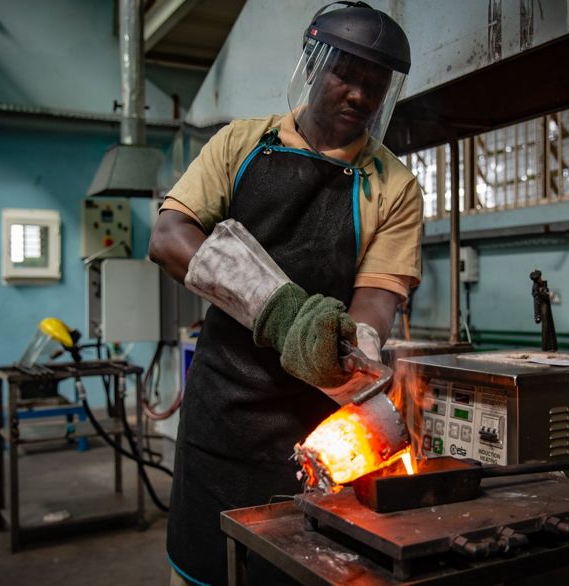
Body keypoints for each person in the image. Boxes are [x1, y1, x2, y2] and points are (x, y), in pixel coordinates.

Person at [148, 2, 422, 584]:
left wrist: (350, 343)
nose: (358, 96)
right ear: (314, 63)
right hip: (222, 416)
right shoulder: (240, 144)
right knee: (206, 568)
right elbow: (170, 237)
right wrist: (281, 312)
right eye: (346, 74)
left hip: (317, 430)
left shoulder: (394, 186)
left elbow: (376, 296)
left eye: (375, 86)